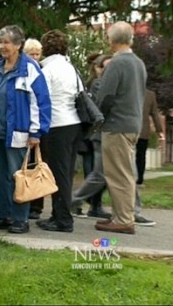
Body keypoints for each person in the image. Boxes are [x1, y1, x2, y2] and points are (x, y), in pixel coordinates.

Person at [0, 25, 51, 234]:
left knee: (17, 176)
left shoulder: (29, 69)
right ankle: (3, 215)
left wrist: (36, 132)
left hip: (18, 133)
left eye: (6, 42)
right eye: (0, 42)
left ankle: (20, 219)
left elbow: (41, 102)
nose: (2, 47)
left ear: (18, 45)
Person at [94, 21, 147, 235]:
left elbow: (105, 96)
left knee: (118, 174)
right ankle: (121, 216)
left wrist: (97, 117)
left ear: (112, 40)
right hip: (133, 123)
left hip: (116, 125)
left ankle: (124, 219)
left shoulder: (116, 64)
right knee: (125, 172)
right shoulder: (138, 63)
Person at [34, 30, 82, 233]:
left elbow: (40, 99)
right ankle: (59, 214)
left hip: (56, 125)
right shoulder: (71, 68)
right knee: (66, 173)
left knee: (57, 174)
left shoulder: (46, 69)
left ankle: (63, 219)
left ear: (45, 48)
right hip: (74, 123)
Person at [72, 54, 113, 219]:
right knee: (95, 172)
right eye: (102, 67)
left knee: (96, 172)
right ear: (96, 68)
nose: (105, 70)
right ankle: (77, 202)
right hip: (92, 133)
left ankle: (93, 205)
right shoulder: (96, 84)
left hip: (93, 132)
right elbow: (100, 107)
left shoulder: (97, 84)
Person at [23, 38, 45, 220]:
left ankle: (36, 204)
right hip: (26, 126)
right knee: (27, 166)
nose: (35, 57)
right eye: (32, 54)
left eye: (38, 54)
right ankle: (26, 201)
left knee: (36, 166)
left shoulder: (42, 71)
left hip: (37, 127)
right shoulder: (27, 71)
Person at [136, 89, 164, 186]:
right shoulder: (150, 95)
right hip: (143, 130)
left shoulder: (128, 91)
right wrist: (159, 130)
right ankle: (139, 178)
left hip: (129, 129)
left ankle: (134, 177)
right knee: (141, 156)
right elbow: (155, 114)